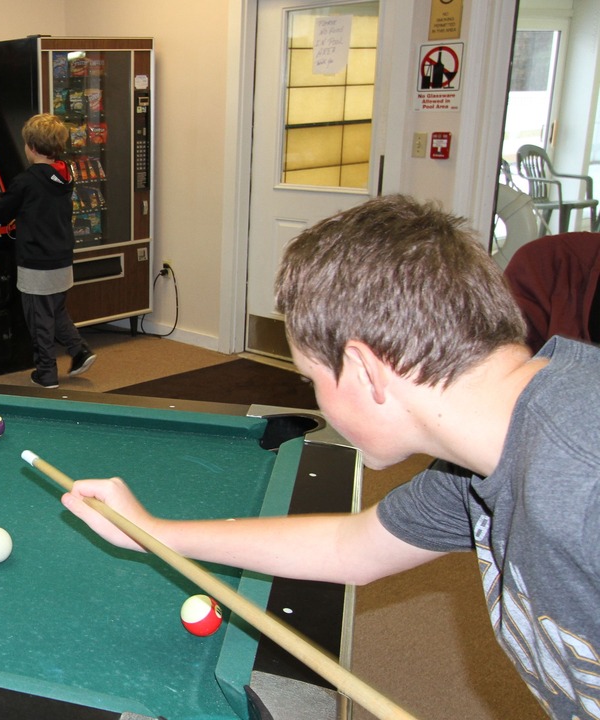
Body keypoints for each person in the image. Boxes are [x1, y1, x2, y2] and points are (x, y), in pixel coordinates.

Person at [62, 194, 599, 718]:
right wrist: (152, 531)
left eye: (311, 379)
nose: (315, 397)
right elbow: (353, 548)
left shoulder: (581, 480)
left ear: (365, 371)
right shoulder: (477, 461)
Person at [0, 113, 95, 389]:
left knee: (38, 317)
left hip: (36, 261)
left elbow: (2, 211)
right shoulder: (66, 174)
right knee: (55, 309)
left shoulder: (27, 181)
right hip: (62, 257)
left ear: (30, 147)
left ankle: (46, 373)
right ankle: (79, 351)